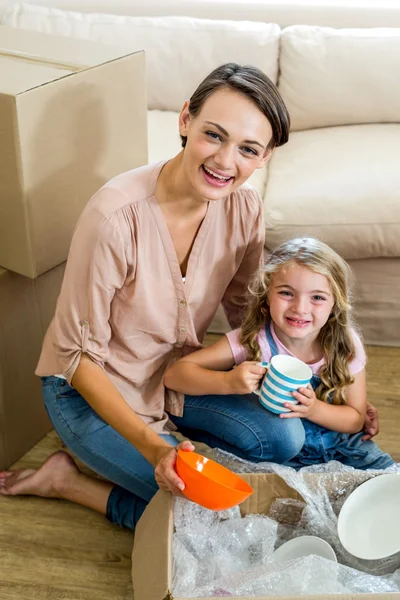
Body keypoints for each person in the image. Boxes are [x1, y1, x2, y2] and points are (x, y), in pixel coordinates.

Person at [0, 65, 381, 530]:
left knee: (285, 439)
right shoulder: (114, 219)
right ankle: (66, 481)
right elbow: (77, 361)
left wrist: (334, 393)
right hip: (92, 392)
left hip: (178, 379)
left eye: (247, 149)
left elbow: (249, 312)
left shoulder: (244, 208)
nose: (225, 161)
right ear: (185, 120)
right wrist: (153, 447)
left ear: (264, 157)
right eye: (213, 135)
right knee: (210, 521)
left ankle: (176, 439)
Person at [165, 236, 393, 471]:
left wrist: (314, 409)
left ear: (335, 305)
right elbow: (175, 375)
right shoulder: (253, 340)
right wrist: (228, 381)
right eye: (286, 293)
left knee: (388, 481)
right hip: (282, 454)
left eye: (317, 297)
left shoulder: (346, 345)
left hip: (343, 446)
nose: (300, 308)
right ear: (266, 297)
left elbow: (356, 419)